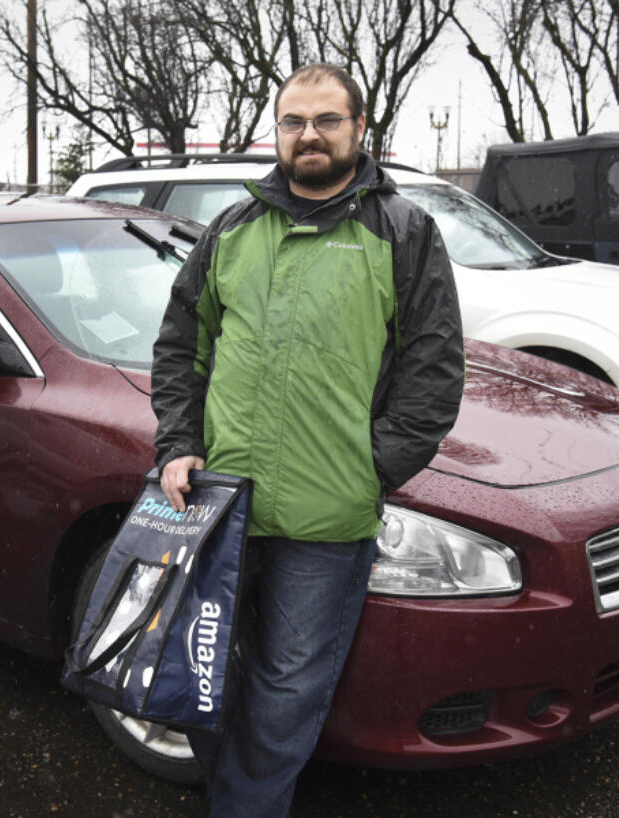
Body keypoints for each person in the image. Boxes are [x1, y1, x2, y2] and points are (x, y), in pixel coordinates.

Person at [150, 62, 464, 817]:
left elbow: (434, 370)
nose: (309, 135)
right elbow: (180, 347)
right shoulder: (233, 228)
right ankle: (231, 789)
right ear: (277, 133)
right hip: (221, 502)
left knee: (289, 682)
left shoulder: (402, 232)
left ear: (361, 129)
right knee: (204, 665)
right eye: (294, 121)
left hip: (329, 514)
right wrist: (178, 443)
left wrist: (371, 468)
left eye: (327, 120)